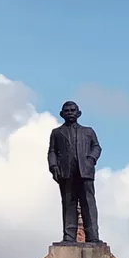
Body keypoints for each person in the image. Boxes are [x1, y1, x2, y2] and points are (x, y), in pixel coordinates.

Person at [47, 101, 102, 242]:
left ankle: (93, 236)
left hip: (85, 172)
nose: (70, 112)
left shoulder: (88, 131)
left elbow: (96, 147)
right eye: (67, 110)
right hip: (66, 172)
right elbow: (52, 151)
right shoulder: (56, 133)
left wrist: (90, 160)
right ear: (62, 114)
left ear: (79, 113)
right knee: (68, 203)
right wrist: (53, 166)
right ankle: (69, 236)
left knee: (88, 204)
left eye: (72, 110)